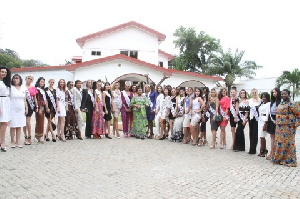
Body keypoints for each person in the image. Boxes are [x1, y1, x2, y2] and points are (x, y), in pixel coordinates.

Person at [271, 89, 299, 167]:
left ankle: (289, 160)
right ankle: (279, 158)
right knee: (280, 143)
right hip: (279, 127)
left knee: (288, 143)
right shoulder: (281, 103)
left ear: (288, 94)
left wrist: (296, 124)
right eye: (282, 94)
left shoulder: (292, 103)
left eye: (285, 94)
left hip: (289, 127)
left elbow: (298, 114)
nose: (283, 95)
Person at [9, 74, 27, 148]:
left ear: (20, 79)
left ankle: (18, 141)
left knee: (19, 125)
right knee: (13, 126)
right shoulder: (10, 87)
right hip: (12, 108)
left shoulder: (23, 88)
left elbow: (25, 99)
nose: (15, 80)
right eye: (14, 78)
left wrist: (26, 108)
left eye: (17, 78)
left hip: (21, 109)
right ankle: (12, 141)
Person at [266, 87, 281, 160]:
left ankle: (276, 153)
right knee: (272, 136)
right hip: (271, 118)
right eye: (273, 92)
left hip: (277, 119)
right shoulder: (272, 101)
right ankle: (271, 152)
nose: (274, 93)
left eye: (275, 92)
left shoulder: (280, 101)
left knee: (277, 137)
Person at [23, 75, 38, 145]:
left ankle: (29, 136)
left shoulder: (33, 88)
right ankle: (25, 136)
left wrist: (37, 106)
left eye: (31, 79)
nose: (29, 80)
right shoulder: (22, 87)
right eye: (28, 78)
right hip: (23, 104)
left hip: (30, 105)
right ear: (26, 79)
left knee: (28, 121)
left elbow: (35, 98)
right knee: (24, 121)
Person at [35, 77, 50, 143]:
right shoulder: (37, 89)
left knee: (42, 121)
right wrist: (38, 108)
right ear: (38, 82)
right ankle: (39, 135)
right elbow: (37, 99)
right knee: (39, 121)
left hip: (43, 106)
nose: (42, 83)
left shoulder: (44, 90)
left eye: (43, 82)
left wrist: (47, 107)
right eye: (41, 82)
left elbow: (46, 99)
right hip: (39, 106)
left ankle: (39, 135)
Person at [0, 66, 11, 152]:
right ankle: (2, 143)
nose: (4, 73)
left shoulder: (6, 82)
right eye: (2, 72)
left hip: (6, 102)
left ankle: (2, 142)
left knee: (4, 124)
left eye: (5, 72)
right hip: (1, 102)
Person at [257, 92, 270, 157]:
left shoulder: (268, 104)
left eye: (265, 97)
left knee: (262, 136)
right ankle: (261, 149)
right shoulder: (262, 104)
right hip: (260, 121)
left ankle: (264, 150)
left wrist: (265, 124)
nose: (263, 98)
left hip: (264, 121)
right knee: (260, 136)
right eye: (262, 97)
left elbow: (267, 114)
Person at [248, 88, 261, 154]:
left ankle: (254, 149)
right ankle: (251, 148)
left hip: (257, 119)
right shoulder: (249, 100)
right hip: (251, 118)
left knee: (255, 134)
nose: (254, 94)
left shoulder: (259, 101)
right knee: (251, 133)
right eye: (253, 92)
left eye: (255, 92)